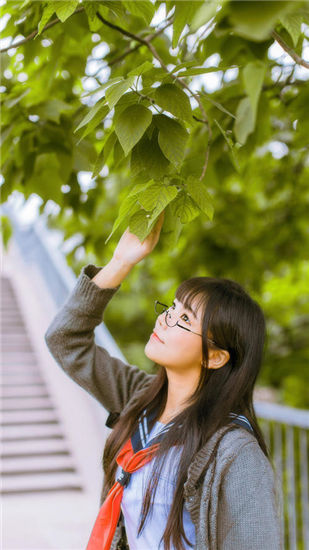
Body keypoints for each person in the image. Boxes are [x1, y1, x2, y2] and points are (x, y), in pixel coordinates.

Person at [45, 213, 282, 550]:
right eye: (172, 307)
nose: (166, 319)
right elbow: (65, 339)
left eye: (185, 318)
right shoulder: (139, 398)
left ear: (214, 356)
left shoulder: (234, 452)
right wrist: (121, 262)